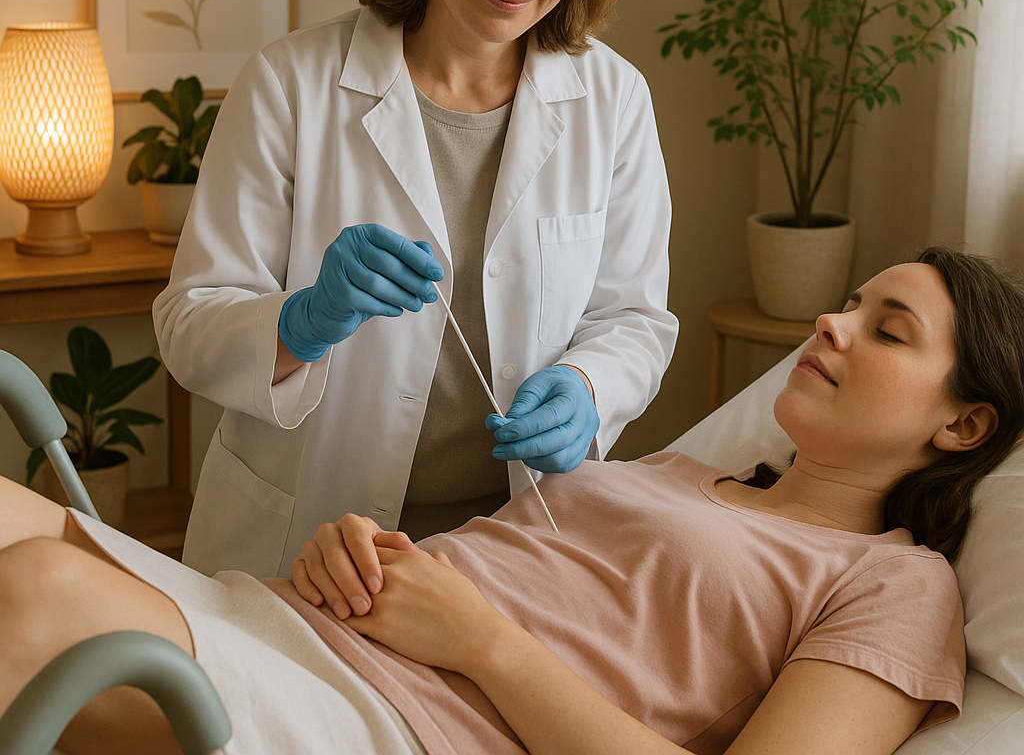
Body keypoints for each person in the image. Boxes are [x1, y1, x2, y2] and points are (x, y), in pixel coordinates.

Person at [3, 246, 1023, 755]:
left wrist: (479, 642)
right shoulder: (676, 473)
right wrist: (357, 553)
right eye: (847, 303)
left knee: (38, 593)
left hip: (397, 723)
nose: (829, 324)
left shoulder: (895, 580)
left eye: (886, 330)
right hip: (289, 620)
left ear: (963, 425)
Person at [151, 0, 678, 578]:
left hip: (512, 551)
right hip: (308, 539)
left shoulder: (612, 99)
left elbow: (635, 320)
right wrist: (299, 322)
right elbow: (189, 324)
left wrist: (587, 386)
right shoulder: (292, 84)